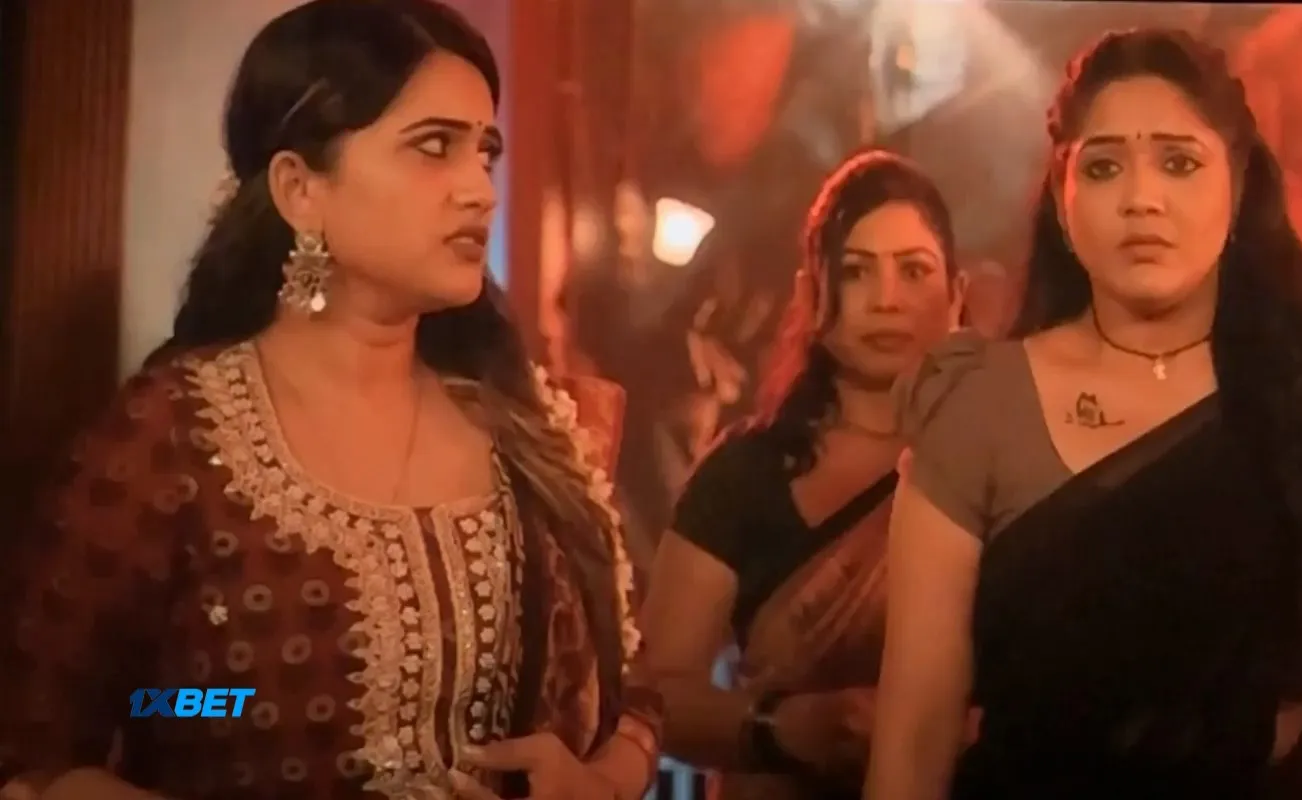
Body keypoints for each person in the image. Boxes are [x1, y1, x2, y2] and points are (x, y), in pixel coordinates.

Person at [0, 2, 661, 798]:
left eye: (485, 152)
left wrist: (603, 782)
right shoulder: (175, 438)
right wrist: (230, 710)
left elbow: (638, 690)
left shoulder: (532, 428)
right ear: (300, 189)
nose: (479, 191)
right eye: (434, 147)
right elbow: (41, 743)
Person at [866, 28, 1302, 799]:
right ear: (1061, 197)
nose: (1141, 199)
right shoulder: (976, 406)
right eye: (1104, 166)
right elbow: (916, 731)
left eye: (1179, 163)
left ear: (1237, 187)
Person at [641, 150, 967, 800]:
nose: (887, 300)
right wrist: (780, 728)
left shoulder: (998, 462)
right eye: (855, 272)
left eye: (914, 270)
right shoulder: (747, 473)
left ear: (956, 297)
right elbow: (652, 694)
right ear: (810, 294)